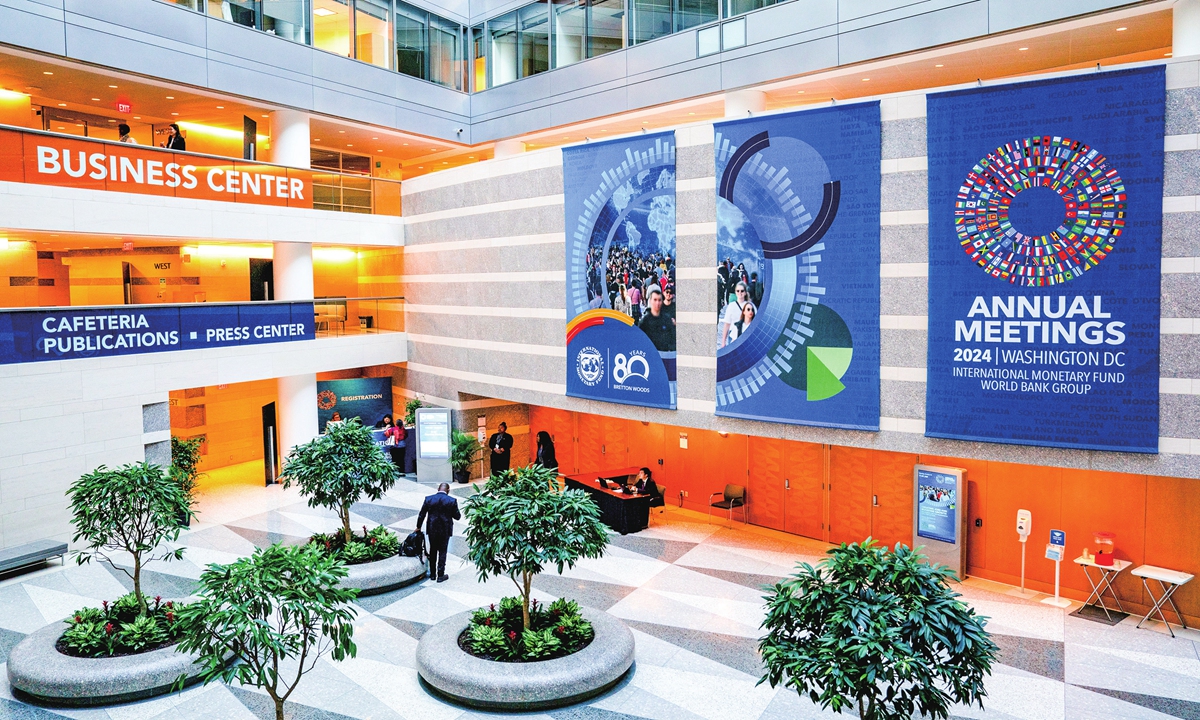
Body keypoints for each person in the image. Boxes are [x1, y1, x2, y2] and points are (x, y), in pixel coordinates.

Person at [416, 482, 460, 582]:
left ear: (438, 489)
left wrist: (418, 527)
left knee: (433, 550)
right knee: (443, 551)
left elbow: (421, 514)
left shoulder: (429, 499)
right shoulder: (452, 501)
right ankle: (440, 575)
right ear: (448, 490)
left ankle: (432, 574)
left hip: (432, 529)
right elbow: (457, 516)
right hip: (445, 530)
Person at [638, 287, 675, 352]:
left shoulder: (667, 320)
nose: (657, 303)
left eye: (659, 300)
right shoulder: (645, 322)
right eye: (655, 300)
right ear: (650, 301)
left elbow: (672, 339)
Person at [720, 282, 751, 348]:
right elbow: (727, 324)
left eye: (742, 291)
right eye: (738, 291)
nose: (740, 293)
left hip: (746, 338)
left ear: (745, 292)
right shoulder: (731, 306)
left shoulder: (751, 306)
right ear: (735, 292)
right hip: (733, 338)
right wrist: (723, 342)